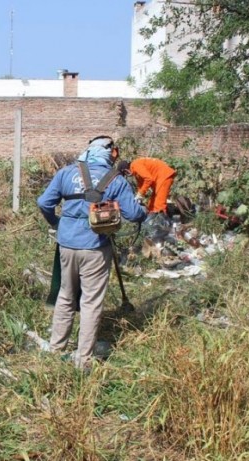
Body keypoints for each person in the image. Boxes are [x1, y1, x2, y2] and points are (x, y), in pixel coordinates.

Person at [37, 136, 146, 370]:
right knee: (91, 302)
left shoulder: (66, 173)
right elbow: (134, 214)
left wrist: (57, 222)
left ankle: (56, 348)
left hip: (67, 245)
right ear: (109, 154)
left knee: (66, 295)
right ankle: (83, 358)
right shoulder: (116, 180)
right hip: (95, 246)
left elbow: (44, 202)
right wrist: (143, 210)